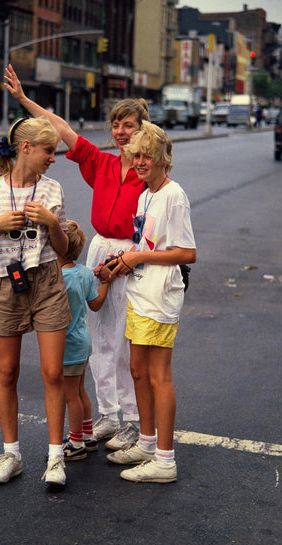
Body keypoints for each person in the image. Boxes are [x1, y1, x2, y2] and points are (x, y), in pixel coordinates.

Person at [4, 63, 150, 451]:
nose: (121, 132)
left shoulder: (146, 170)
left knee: (124, 339)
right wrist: (24, 100)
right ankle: (108, 414)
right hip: (102, 247)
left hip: (132, 252)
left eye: (129, 125)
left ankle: (133, 420)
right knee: (97, 336)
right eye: (116, 125)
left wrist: (132, 257)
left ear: (143, 129)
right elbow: (61, 128)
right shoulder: (102, 162)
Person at [0, 116, 72, 487]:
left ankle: (56, 457)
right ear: (26, 148)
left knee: (53, 373)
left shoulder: (52, 189)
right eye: (48, 151)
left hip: (48, 281)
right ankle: (11, 454)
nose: (53, 158)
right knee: (7, 372)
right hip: (8, 283)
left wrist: (51, 222)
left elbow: (64, 249)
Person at [103, 121, 196, 483]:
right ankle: (146, 442)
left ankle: (165, 460)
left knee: (159, 376)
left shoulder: (174, 195)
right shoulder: (145, 195)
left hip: (159, 297)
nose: (140, 162)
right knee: (138, 370)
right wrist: (119, 263)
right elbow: (145, 244)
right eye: (136, 155)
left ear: (163, 160)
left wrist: (138, 258)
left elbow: (187, 252)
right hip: (139, 292)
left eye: (147, 156)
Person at [58, 220, 110, 461]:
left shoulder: (58, 278)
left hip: (67, 343)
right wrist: (106, 282)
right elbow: (95, 304)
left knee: (70, 395)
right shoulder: (83, 273)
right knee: (80, 390)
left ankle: (76, 441)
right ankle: (88, 436)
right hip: (82, 339)